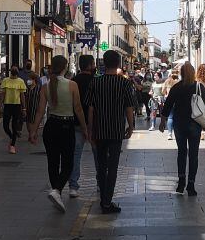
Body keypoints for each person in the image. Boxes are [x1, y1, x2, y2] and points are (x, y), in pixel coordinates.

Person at [30, 56, 89, 213]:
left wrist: (34, 130)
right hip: (66, 126)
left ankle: (56, 193)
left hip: (51, 126)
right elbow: (78, 109)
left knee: (53, 162)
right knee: (68, 163)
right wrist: (84, 128)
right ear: (65, 67)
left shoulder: (45, 86)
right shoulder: (72, 85)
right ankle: (56, 191)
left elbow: (40, 111)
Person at [86, 50, 138, 214]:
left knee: (101, 165)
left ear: (103, 63)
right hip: (116, 129)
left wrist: (89, 128)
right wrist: (131, 126)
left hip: (99, 129)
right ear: (118, 64)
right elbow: (129, 107)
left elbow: (91, 108)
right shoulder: (124, 83)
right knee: (113, 166)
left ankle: (104, 198)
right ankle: (107, 201)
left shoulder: (95, 82)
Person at [159, 63, 205, 197]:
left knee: (181, 153)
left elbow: (167, 106)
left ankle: (181, 182)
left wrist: (162, 122)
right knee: (193, 155)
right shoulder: (198, 86)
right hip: (194, 125)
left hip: (179, 124)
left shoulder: (176, 87)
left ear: (182, 74)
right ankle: (191, 184)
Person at [69, 55, 97, 198]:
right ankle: (100, 182)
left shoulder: (73, 82)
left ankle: (73, 186)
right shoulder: (97, 81)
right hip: (95, 124)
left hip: (76, 123)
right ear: (91, 65)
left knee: (76, 155)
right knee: (98, 154)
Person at [0, 66, 27, 154]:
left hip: (17, 106)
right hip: (7, 105)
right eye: (13, 69)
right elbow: (2, 94)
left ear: (17, 72)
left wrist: (24, 108)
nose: (14, 71)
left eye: (16, 69)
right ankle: (11, 137)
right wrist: (0, 105)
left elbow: (22, 95)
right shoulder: (5, 80)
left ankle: (12, 145)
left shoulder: (20, 81)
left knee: (15, 126)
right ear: (11, 71)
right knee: (5, 126)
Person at [24, 71, 43, 145]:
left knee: (33, 121)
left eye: (29, 79)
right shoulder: (27, 88)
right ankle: (31, 133)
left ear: (34, 79)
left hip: (35, 107)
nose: (28, 80)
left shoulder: (39, 88)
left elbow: (41, 98)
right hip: (28, 107)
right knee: (28, 122)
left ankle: (33, 135)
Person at [162, 71, 180, 140]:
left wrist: (166, 93)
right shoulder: (179, 81)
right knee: (178, 117)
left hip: (169, 100)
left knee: (170, 117)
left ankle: (169, 134)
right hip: (178, 101)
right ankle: (177, 133)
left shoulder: (167, 81)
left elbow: (163, 91)